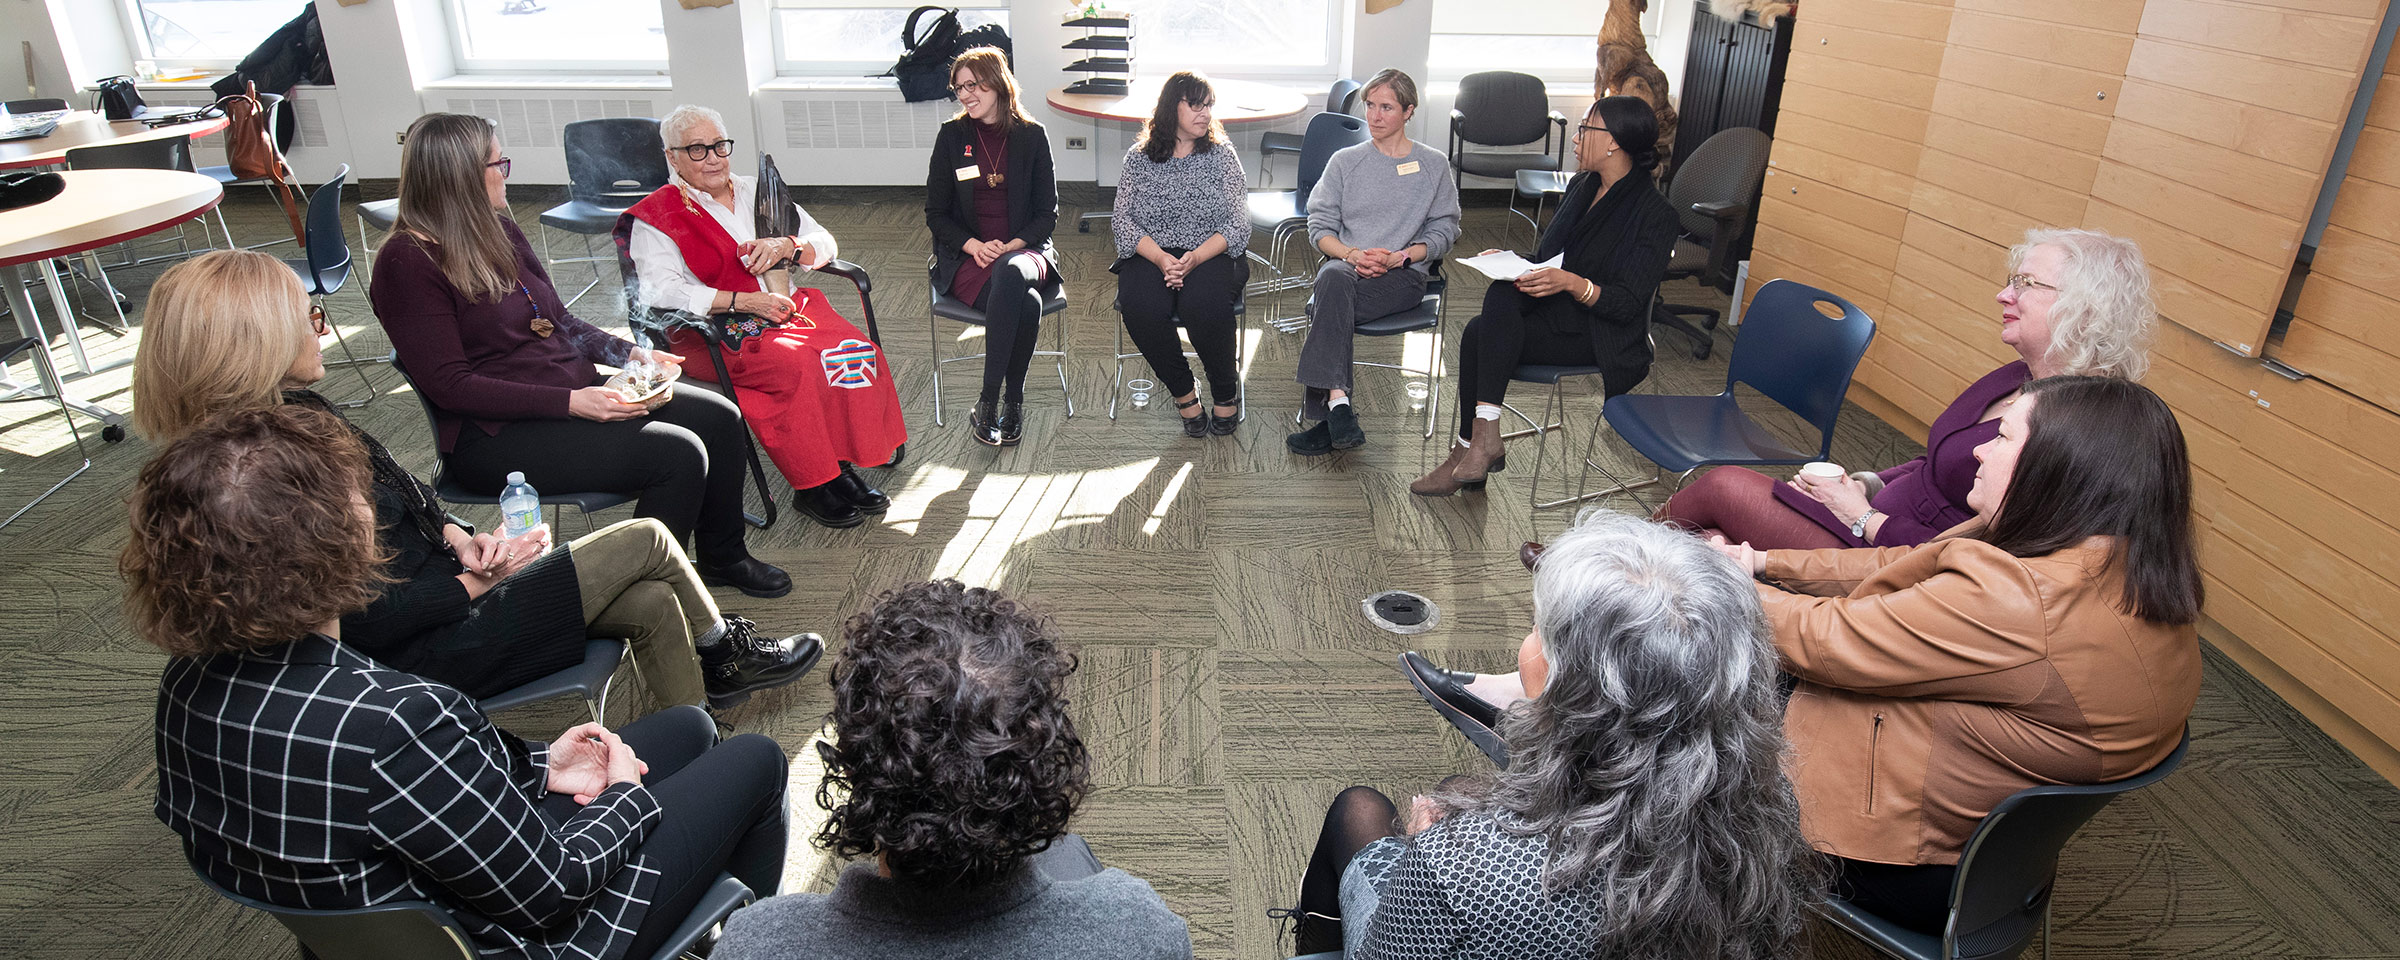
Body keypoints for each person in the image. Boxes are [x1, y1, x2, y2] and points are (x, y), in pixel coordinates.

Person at [134, 405, 790, 960]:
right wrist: (622, 795)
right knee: (757, 759)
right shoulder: (396, 722)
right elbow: (553, 888)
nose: (370, 506)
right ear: (336, 545)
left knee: (689, 726)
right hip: (531, 937)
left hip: (398, 901)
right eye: (358, 499)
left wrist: (540, 766)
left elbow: (405, 796)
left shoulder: (184, 691)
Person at [131, 249, 817, 713]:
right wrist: (473, 582)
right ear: (256, 339)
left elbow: (404, 489)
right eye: (308, 318)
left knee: (651, 601)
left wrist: (460, 538)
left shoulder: (296, 411)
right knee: (644, 545)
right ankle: (723, 654)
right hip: (425, 648)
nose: (322, 330)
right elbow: (356, 617)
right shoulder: (248, 480)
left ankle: (695, 734)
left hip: (452, 596)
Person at [1701, 375, 2201, 934]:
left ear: (2057, 467)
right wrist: (1766, 564)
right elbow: (1898, 565)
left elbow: (1829, 641)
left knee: (1676, 727)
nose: (1981, 450)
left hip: (1903, 859)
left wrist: (1714, 583)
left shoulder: (2027, 599)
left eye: (2004, 438)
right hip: (1994, 850)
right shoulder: (2121, 564)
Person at [1289, 512, 1813, 958]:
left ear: (1579, 688)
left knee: (1356, 809)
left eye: (1544, 629)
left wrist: (1421, 854)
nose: (1529, 642)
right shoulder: (1773, 805)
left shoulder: (1461, 868)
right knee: (1454, 785)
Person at [370, 112, 791, 599]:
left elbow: (559, 322)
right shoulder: (406, 262)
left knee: (721, 416)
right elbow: (450, 385)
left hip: (567, 394)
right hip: (493, 437)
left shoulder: (496, 230)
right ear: (460, 176)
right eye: (497, 163)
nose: (507, 172)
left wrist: (632, 354)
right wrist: (574, 403)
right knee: (676, 454)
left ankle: (723, 557)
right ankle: (639, 595)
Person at [711, 579, 1193, 960]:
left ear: (855, 766)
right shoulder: (1139, 931)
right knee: (1071, 853)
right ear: (1041, 760)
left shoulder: (755, 944)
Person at [1659, 227, 2156, 548]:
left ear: (2085, 308)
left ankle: (1604, 572)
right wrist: (1867, 482)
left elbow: (1993, 554)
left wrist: (1863, 517)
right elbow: (1936, 463)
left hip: (1898, 560)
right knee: (1712, 540)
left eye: (2026, 284)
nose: (2004, 294)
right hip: (1872, 515)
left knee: (1723, 489)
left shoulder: (2077, 431)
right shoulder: (2017, 375)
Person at [627, 104, 907, 530]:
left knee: (853, 350)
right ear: (672, 156)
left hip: (786, 307)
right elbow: (660, 290)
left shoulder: (756, 188)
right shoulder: (659, 214)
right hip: (716, 329)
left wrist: (788, 246)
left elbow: (824, 241)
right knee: (797, 365)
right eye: (697, 150)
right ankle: (812, 485)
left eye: (720, 146)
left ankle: (840, 465)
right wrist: (741, 300)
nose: (714, 158)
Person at [1411, 96, 1679, 496]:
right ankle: (1479, 443)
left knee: (1479, 334)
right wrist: (1511, 260)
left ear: (1614, 143)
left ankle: (1470, 449)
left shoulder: (1655, 214)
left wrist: (1572, 283)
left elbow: (1627, 305)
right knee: (1494, 306)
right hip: (1558, 309)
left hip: (1601, 332)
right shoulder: (1583, 185)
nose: (1575, 138)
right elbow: (1549, 258)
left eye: (1586, 129)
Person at [1287, 68, 1462, 456]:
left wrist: (1400, 256)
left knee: (1327, 305)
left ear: (1408, 111)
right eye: (1370, 105)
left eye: (1386, 107)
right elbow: (1319, 226)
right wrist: (1352, 254)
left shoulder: (1433, 166)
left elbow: (1446, 231)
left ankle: (1331, 414)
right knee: (1333, 278)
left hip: (1402, 278)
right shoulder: (1345, 161)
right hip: (1346, 268)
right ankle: (1339, 406)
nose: (1375, 116)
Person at [925, 47, 1062, 448]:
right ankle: (1012, 402)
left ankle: (987, 402)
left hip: (1027, 250)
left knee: (1012, 270)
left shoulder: (1031, 136)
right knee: (1028, 304)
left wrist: (1013, 245)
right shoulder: (952, 137)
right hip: (970, 257)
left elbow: (1047, 213)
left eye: (973, 85)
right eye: (959, 88)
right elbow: (936, 212)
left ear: (997, 83)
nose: (965, 95)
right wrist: (973, 245)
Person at [1111, 70, 1250, 438]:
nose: (1205, 114)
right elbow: (1122, 220)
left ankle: (1224, 392)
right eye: (1196, 105)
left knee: (1203, 305)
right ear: (1172, 108)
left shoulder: (1221, 155)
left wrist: (1195, 258)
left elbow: (1239, 221)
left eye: (1209, 106)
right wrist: (1160, 259)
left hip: (1211, 251)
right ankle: (1184, 393)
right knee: (1140, 307)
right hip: (1151, 252)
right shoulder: (1139, 157)